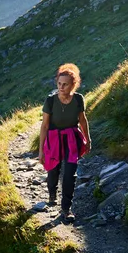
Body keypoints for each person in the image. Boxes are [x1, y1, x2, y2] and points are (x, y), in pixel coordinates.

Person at [39, 63, 91, 222]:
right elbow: (45, 125)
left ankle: (66, 208)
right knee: (53, 170)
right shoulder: (50, 100)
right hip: (54, 138)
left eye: (65, 84)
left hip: (71, 138)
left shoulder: (78, 99)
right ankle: (52, 194)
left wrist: (88, 140)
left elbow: (82, 120)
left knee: (70, 173)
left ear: (73, 85)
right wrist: (41, 150)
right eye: (59, 83)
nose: (61, 87)